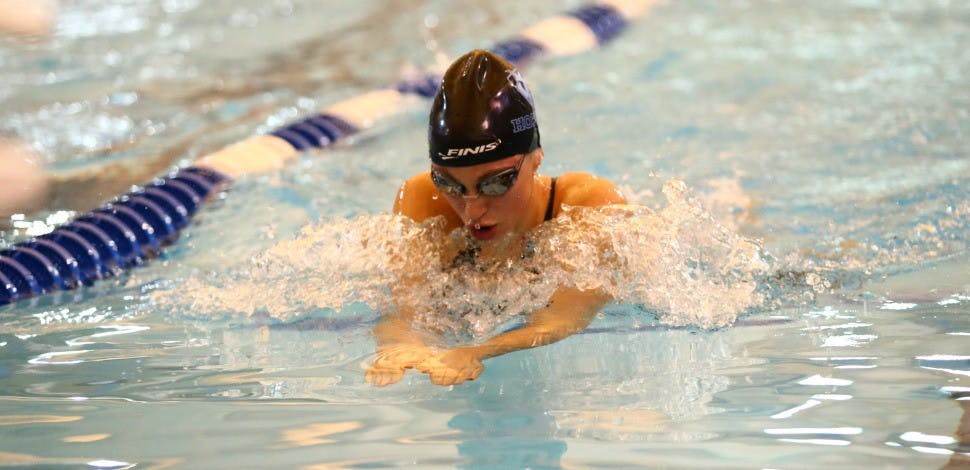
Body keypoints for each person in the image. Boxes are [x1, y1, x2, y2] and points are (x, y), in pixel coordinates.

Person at [365, 49, 627, 387]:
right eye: (449, 183)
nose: (472, 210)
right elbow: (405, 307)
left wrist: (477, 351)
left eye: (495, 183)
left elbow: (561, 318)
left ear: (536, 158)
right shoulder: (424, 200)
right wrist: (400, 346)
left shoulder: (587, 206)